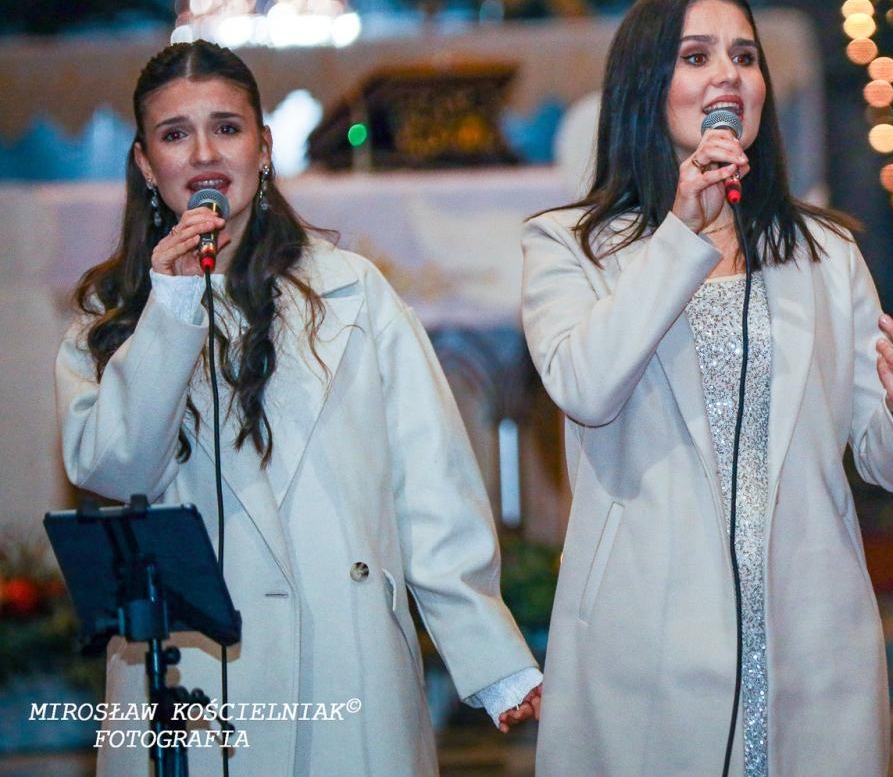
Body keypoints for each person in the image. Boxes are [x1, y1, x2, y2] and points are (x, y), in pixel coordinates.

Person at [56, 41, 541, 776]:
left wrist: (489, 654)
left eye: (226, 127)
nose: (205, 153)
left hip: (344, 654)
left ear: (264, 146)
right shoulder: (111, 312)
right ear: (146, 164)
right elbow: (115, 469)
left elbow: (428, 477)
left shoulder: (353, 290)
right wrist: (172, 306)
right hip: (194, 671)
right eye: (175, 134)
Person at [521, 0, 893, 776]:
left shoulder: (827, 253)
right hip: (647, 630)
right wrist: (682, 236)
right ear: (646, 88)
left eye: (744, 56)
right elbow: (586, 385)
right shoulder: (569, 248)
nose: (728, 74)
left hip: (808, 626)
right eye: (696, 56)